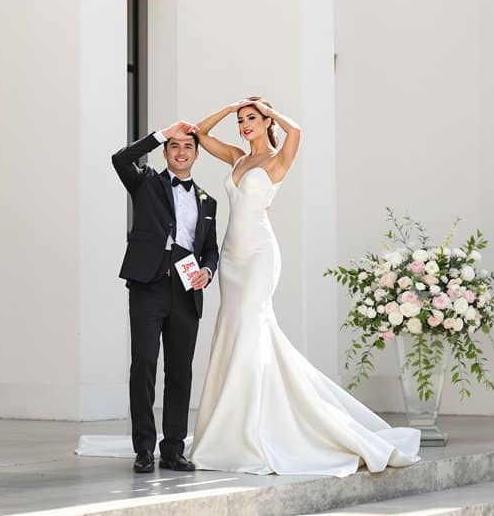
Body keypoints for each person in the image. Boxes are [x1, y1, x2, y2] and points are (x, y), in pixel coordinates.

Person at [187, 97, 420, 477]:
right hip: (230, 259)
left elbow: (297, 131)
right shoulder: (237, 159)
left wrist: (267, 108)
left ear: (265, 122)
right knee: (234, 331)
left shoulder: (278, 159)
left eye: (251, 119)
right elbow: (198, 133)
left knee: (250, 326)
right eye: (241, 121)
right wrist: (231, 107)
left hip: (260, 255)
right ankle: (229, 427)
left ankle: (251, 429)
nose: (245, 125)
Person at [111, 122, 220, 473]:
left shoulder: (208, 201)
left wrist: (208, 270)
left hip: (187, 290)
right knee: (143, 363)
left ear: (197, 153)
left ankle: (173, 449)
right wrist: (161, 132)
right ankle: (144, 449)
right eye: (174, 146)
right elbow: (120, 159)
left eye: (187, 146)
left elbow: (211, 249)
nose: (181, 151)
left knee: (180, 372)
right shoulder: (146, 183)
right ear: (165, 151)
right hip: (149, 285)